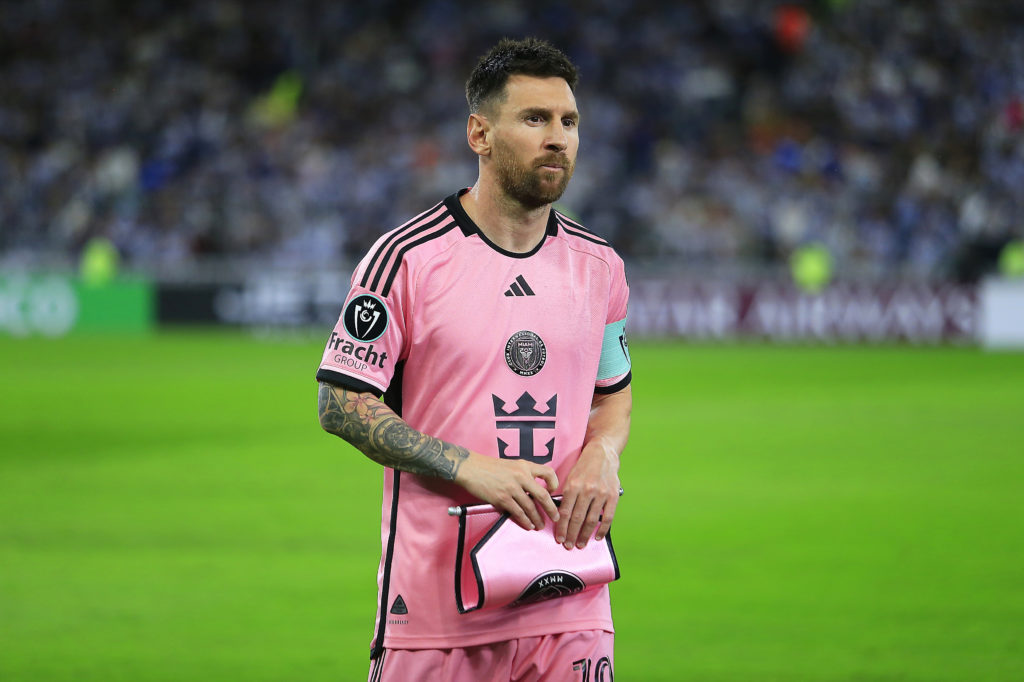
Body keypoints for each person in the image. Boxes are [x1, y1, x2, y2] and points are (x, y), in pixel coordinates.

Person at [316, 37, 632, 682]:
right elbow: (341, 402)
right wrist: (468, 467)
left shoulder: (601, 267)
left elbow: (612, 390)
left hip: (570, 597)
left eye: (568, 121)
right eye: (535, 119)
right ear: (479, 134)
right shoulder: (406, 260)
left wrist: (603, 453)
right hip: (436, 614)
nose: (558, 138)